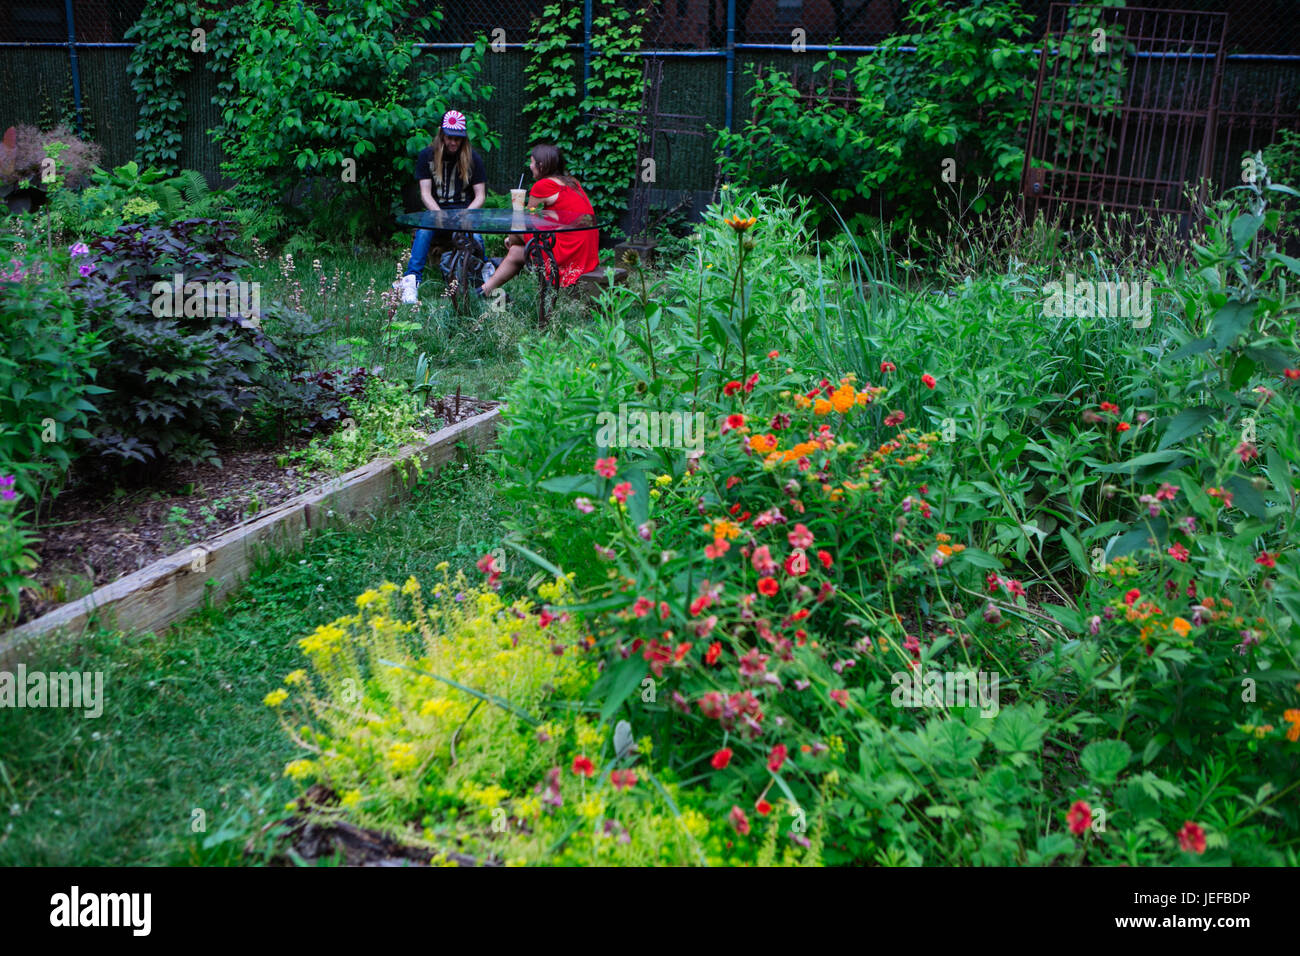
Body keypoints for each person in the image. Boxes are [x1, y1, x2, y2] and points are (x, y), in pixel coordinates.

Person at [477, 144, 598, 300]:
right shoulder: (571, 182)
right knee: (516, 252)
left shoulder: (543, 185)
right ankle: (484, 291)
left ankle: (484, 291)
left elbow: (522, 224)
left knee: (517, 238)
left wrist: (511, 238)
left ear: (541, 165)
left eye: (532, 162)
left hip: (569, 250)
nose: (530, 166)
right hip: (585, 249)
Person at [393, 109, 487, 304]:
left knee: (475, 236)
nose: (453, 142)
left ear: (463, 139)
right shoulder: (427, 155)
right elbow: (425, 193)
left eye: (457, 139)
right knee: (424, 230)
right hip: (436, 212)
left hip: (463, 214)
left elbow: (480, 196)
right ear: (441, 134)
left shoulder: (473, 158)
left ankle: (481, 278)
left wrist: (465, 215)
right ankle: (411, 281)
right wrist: (439, 215)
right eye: (449, 137)